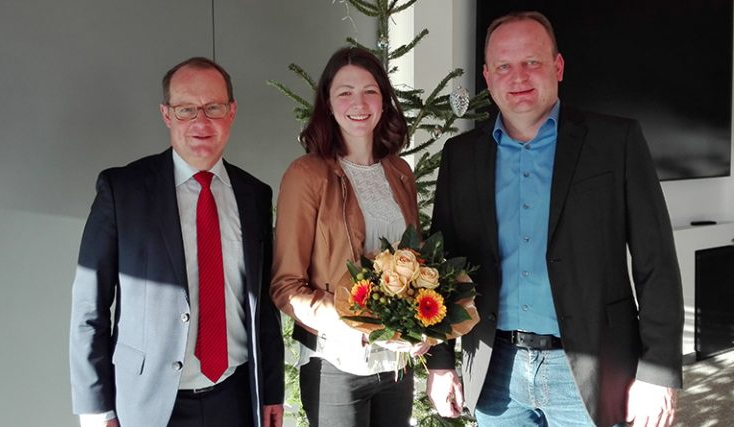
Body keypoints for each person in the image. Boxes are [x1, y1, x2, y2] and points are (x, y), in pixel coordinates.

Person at [426, 11, 683, 427]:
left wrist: (657, 371)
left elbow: (657, 262)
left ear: (558, 67)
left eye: (532, 62)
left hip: (592, 368)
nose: (518, 77)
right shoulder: (461, 156)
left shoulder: (615, 141)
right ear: (488, 77)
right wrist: (440, 363)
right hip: (494, 370)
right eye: (504, 66)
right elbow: (439, 265)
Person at [69, 57, 284, 427]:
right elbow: (90, 309)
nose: (201, 122)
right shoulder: (123, 190)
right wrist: (95, 407)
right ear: (167, 115)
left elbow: (263, 306)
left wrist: (272, 392)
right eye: (186, 110)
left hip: (235, 399)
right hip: (150, 403)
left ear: (231, 112)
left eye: (213, 108)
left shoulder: (254, 195)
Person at [270, 46, 426, 426]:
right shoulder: (305, 174)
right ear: (328, 102)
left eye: (370, 90)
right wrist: (353, 323)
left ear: (384, 100)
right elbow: (285, 287)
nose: (359, 102)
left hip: (395, 365)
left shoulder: (399, 171)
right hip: (335, 363)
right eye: (345, 92)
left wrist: (421, 325)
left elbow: (418, 265)